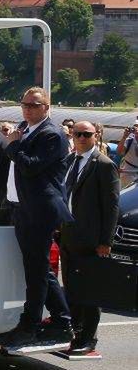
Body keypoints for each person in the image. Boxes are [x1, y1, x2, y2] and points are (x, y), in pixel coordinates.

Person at [0, 87, 74, 349]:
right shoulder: (26, 129)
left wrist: (14, 145)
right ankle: (62, 320)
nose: (28, 109)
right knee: (38, 268)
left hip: (40, 210)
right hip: (23, 208)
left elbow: (30, 165)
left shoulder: (51, 134)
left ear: (47, 107)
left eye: (34, 105)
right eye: (24, 105)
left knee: (36, 271)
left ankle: (30, 325)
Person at [60, 121, 120, 356]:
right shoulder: (70, 161)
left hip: (92, 239)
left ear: (96, 136)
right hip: (68, 235)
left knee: (91, 291)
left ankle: (88, 338)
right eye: (78, 134)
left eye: (86, 134)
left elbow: (111, 206)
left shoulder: (104, 165)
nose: (81, 138)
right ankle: (75, 333)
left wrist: (106, 241)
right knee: (73, 290)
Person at [117, 120, 138, 186]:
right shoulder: (129, 140)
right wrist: (124, 137)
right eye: (135, 126)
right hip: (127, 175)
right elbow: (119, 152)